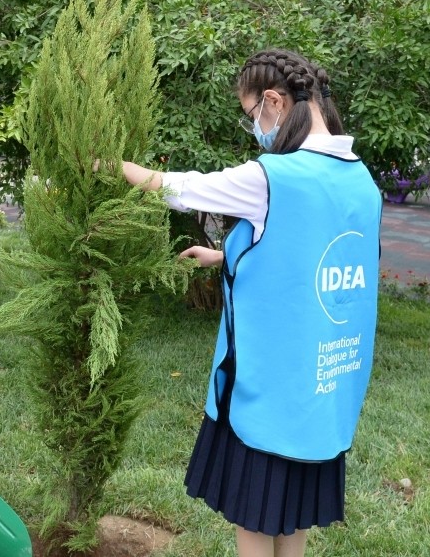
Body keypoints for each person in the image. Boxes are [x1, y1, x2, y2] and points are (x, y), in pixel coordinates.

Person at [118, 49, 382, 557]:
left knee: (256, 524)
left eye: (251, 116)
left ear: (274, 102)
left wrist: (112, 164)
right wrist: (226, 255)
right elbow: (310, 256)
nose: (254, 130)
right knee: (293, 525)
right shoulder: (360, 180)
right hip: (323, 391)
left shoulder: (273, 178)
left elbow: (181, 188)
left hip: (270, 391)